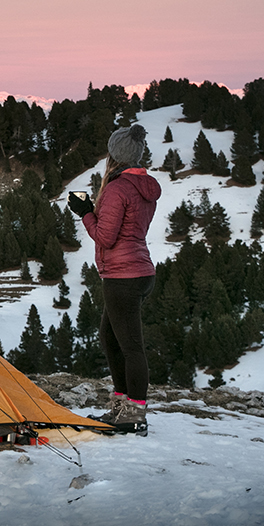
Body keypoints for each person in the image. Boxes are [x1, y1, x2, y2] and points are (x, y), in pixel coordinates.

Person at [66, 124, 160, 435]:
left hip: (123, 276)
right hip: (140, 271)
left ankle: (133, 416)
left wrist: (84, 213)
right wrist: (95, 211)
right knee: (110, 339)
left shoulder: (117, 188)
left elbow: (105, 237)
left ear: (114, 155)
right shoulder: (143, 187)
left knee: (131, 347)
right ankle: (122, 409)